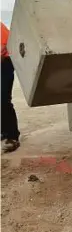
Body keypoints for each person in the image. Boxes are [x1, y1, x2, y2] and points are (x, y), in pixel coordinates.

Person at [1, 22, 21, 153]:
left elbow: (2, 48)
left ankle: (13, 137)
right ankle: (3, 130)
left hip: (4, 63)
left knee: (3, 99)